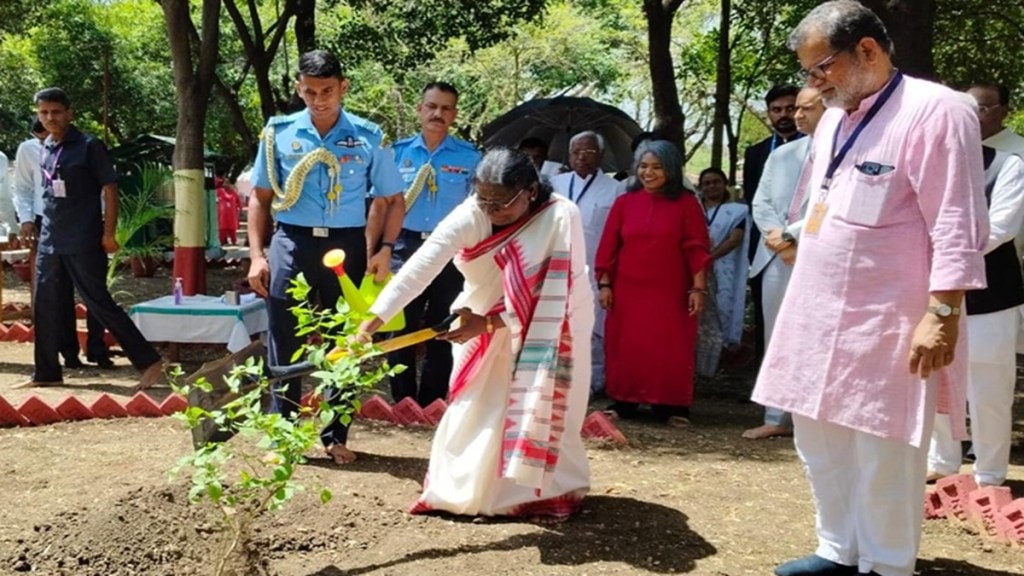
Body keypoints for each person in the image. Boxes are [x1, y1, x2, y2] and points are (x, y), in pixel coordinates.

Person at [752, 3, 988, 576]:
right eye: (808, 72)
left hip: (890, 315)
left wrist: (942, 312)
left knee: (885, 444)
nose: (814, 83)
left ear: (867, 50)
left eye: (822, 68)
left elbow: (956, 219)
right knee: (818, 435)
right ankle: (839, 550)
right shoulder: (834, 117)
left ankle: (886, 564)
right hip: (816, 308)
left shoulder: (937, 110)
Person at [357, 148, 593, 521]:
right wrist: (370, 323)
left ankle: (541, 493)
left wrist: (488, 323)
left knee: (541, 398)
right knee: (479, 402)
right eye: (483, 199)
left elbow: (560, 290)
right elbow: (419, 269)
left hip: (555, 320)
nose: (490, 210)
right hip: (478, 315)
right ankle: (468, 492)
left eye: (501, 204)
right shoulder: (472, 214)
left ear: (530, 191)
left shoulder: (562, 216)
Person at [247, 50, 405, 465]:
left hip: (347, 244)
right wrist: (257, 255)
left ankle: (335, 436)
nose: (318, 100)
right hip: (292, 242)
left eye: (327, 91)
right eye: (310, 91)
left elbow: (393, 199)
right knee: (284, 337)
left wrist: (385, 249)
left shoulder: (368, 136)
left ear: (343, 87)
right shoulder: (278, 133)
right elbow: (260, 198)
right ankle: (282, 437)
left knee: (346, 339)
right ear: (299, 88)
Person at [15, 88, 165, 390]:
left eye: (56, 112)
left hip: (83, 238)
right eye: (43, 113)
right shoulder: (46, 147)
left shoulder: (89, 146)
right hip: (50, 239)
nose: (49, 118)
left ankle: (150, 362)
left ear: (69, 113)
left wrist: (108, 233)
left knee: (98, 302)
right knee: (44, 305)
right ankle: (46, 372)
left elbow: (110, 189)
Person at [927, 92, 1024, 487]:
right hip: (933, 290)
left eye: (976, 112)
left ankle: (989, 472)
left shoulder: (1008, 164)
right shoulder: (931, 164)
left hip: (991, 295)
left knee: (989, 386)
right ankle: (943, 461)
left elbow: (1001, 228)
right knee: (936, 376)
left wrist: (945, 253)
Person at [596, 140, 711, 425]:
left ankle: (671, 406)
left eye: (657, 167)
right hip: (627, 290)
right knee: (626, 344)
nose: (648, 173)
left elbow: (697, 248)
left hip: (671, 289)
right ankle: (625, 402)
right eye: (643, 166)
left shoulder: (687, 204)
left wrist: (698, 288)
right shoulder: (624, 203)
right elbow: (609, 245)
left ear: (671, 169)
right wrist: (605, 284)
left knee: (670, 345)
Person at [388, 82, 480, 407]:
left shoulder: (471, 158)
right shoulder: (396, 154)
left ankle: (432, 400)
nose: (437, 113)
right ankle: (402, 399)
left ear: (454, 114)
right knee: (400, 322)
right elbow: (381, 205)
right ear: (420, 109)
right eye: (432, 106)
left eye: (445, 108)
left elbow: (478, 209)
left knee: (443, 323)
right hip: (406, 246)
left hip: (451, 251)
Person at [743, 86, 825, 440]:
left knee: (816, 336)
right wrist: (778, 240)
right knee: (776, 335)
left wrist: (792, 235)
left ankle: (812, 418)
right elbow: (760, 202)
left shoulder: (844, 154)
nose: (797, 116)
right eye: (795, 109)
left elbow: (831, 204)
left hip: (818, 253)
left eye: (805, 109)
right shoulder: (781, 155)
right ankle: (776, 416)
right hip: (774, 256)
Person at [12, 120, 112, 369]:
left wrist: (105, 227)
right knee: (57, 292)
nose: (47, 138)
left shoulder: (84, 147)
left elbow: (103, 188)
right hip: (47, 222)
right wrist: (26, 219)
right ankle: (68, 353)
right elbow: (22, 187)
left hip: (84, 221)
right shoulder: (29, 149)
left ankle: (97, 349)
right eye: (40, 135)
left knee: (93, 288)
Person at [551, 131, 626, 395]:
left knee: (593, 326)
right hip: (558, 265)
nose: (581, 157)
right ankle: (558, 379)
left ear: (601, 155)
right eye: (576, 152)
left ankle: (593, 382)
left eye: (589, 152)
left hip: (596, 267)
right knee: (558, 322)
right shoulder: (555, 184)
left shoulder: (615, 188)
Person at [743, 84, 802, 365]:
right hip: (767, 247)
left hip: (804, 245)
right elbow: (755, 199)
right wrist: (776, 237)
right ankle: (763, 378)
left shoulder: (819, 147)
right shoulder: (756, 153)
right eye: (776, 110)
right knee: (766, 317)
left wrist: (792, 236)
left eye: (790, 108)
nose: (783, 115)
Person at [695, 167, 749, 377]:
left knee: (723, 307)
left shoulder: (737, 211)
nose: (711, 187)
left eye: (716, 182)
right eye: (706, 183)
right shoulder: (694, 209)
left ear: (725, 184)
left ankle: (721, 358)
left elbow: (735, 239)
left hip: (723, 267)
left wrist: (709, 257)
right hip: (695, 268)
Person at [215, 176, 241, 246]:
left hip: (232, 216)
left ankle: (234, 241)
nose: (226, 184)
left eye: (227, 183)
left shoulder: (234, 192)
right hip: (222, 216)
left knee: (232, 230)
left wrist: (240, 210)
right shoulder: (219, 191)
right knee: (222, 230)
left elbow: (239, 202)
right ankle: (222, 242)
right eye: (224, 183)